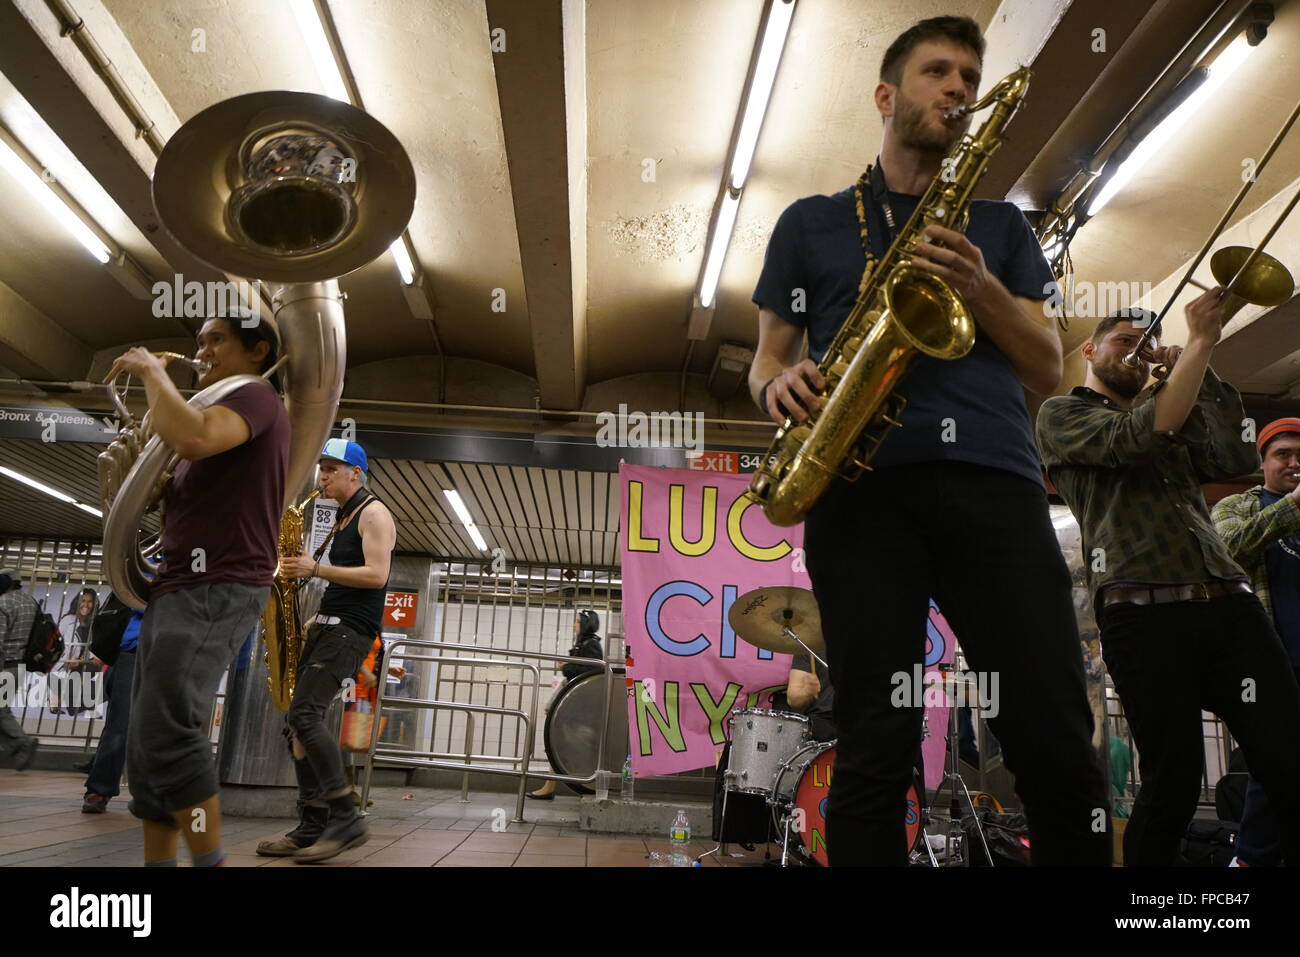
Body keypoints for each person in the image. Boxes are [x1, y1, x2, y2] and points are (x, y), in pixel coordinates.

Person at [749, 15, 1109, 866]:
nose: (957, 90)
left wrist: (982, 288)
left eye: (968, 80)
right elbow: (769, 355)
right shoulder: (810, 222)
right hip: (862, 490)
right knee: (876, 735)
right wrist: (775, 383)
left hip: (997, 484)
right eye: (938, 73)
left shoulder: (1003, 229)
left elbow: (1048, 366)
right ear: (886, 95)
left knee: (1053, 729)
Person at [1036, 309, 1300, 866]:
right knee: (1173, 780)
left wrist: (1199, 372)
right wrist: (1200, 342)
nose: (1137, 352)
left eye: (1147, 343)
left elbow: (1232, 457)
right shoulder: (1062, 414)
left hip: (1229, 604)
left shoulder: (1173, 410)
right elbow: (1134, 438)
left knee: (1289, 758)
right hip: (1143, 615)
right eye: (1124, 342)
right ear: (1089, 351)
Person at [105, 312, 289, 867]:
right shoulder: (218, 405)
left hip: (219, 583)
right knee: (148, 739)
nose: (202, 351)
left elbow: (192, 435)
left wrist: (149, 373)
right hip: (180, 582)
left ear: (257, 351)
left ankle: (210, 859)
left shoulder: (255, 396)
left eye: (216, 340)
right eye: (199, 342)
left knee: (174, 729)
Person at [256, 439, 396, 863]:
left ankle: (345, 818)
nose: (323, 477)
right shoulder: (342, 515)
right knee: (295, 727)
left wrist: (314, 568)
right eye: (322, 469)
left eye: (332, 469)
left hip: (352, 633)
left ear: (356, 472)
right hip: (330, 626)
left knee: (303, 716)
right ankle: (311, 826)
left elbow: (376, 576)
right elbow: (343, 585)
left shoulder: (374, 513)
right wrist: (314, 619)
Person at [1211, 417, 1300, 865]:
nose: (1294, 463)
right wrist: (1293, 507)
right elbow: (1227, 548)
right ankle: (1248, 858)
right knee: (1273, 760)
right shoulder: (1235, 506)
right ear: (1262, 463)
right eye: (1283, 454)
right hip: (1267, 660)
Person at [528, 610, 604, 800]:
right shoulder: (585, 643)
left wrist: (566, 667)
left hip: (582, 708)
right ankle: (551, 785)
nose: (574, 625)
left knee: (565, 745)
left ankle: (583, 785)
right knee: (558, 744)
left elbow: (590, 672)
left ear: (586, 624)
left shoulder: (591, 644)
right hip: (579, 706)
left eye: (577, 622)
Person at [81, 604, 145, 813]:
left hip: (175, 652)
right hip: (135, 650)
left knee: (167, 727)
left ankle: (153, 794)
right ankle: (100, 789)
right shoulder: (144, 571)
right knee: (120, 724)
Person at [0, 567, 39, 770]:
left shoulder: (3, 603)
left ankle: (22, 743)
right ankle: (19, 746)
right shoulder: (30, 602)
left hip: (5, 664)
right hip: (21, 665)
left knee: (0, 709)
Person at [52, 588, 100, 716]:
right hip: (64, 663)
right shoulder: (68, 620)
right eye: (83, 601)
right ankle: (61, 699)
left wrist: (90, 659)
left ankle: (78, 701)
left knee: (94, 668)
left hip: (79, 663)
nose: (86, 605)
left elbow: (91, 646)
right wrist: (65, 661)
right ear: (76, 602)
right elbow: (56, 642)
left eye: (90, 601)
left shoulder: (92, 623)